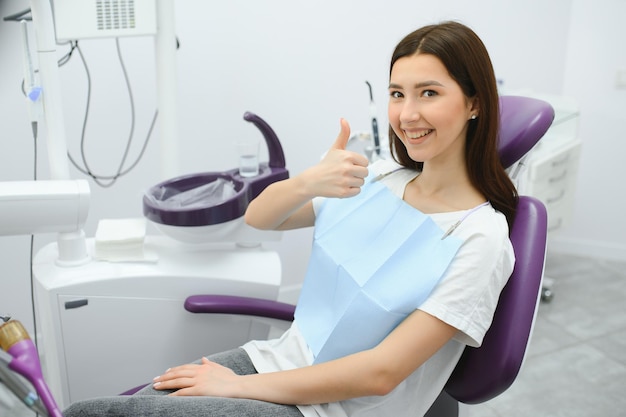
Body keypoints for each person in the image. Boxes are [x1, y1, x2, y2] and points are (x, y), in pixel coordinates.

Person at [63, 20, 517, 417]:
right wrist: (309, 181)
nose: (407, 114)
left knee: (90, 413)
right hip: (276, 361)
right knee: (123, 406)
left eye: (429, 93)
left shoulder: (481, 235)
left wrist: (236, 388)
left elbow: (382, 373)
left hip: (334, 406)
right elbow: (261, 218)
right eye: (397, 94)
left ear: (475, 103)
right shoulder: (380, 177)